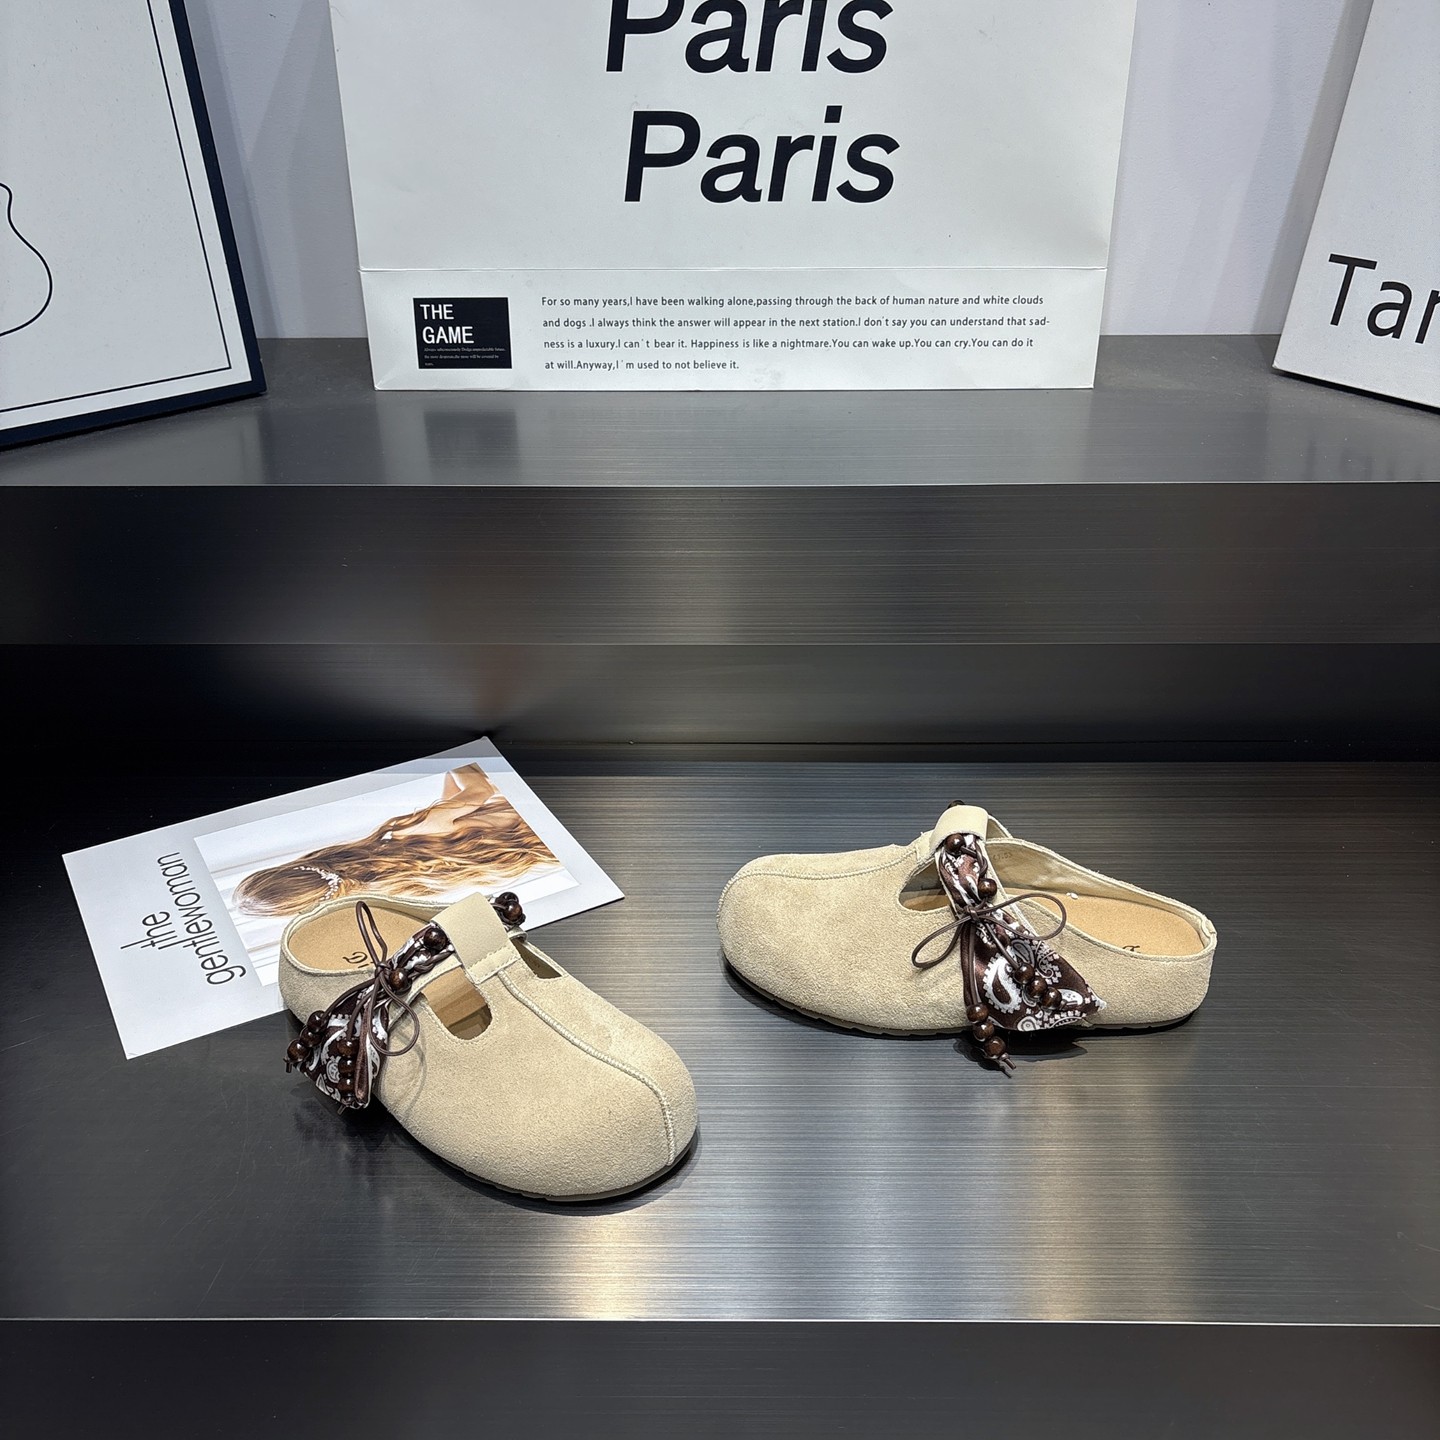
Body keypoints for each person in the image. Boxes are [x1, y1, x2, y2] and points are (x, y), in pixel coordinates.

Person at [234, 765, 557, 915]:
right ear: (300, 866)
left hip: (545, 843)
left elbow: (453, 815)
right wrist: (458, 764)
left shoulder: (402, 884)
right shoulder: (406, 836)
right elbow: (480, 789)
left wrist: (448, 794)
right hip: (543, 805)